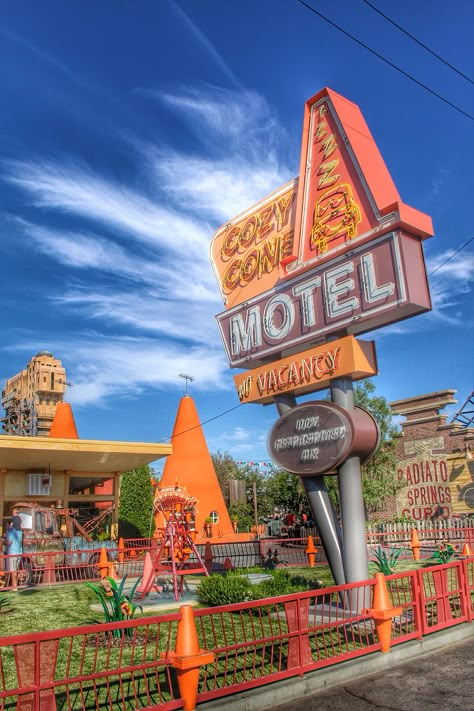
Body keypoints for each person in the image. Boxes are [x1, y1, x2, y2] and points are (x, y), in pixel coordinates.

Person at [5, 515, 23, 590]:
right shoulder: (20, 532)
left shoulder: (11, 532)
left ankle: (14, 587)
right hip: (19, 552)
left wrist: (4, 539)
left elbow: (9, 542)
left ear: (12, 523)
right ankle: (14, 585)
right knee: (15, 569)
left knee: (12, 570)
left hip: (12, 553)